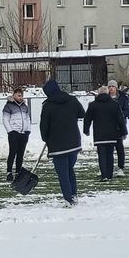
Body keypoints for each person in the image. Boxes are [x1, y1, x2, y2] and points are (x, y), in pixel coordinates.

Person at [38, 79, 86, 207]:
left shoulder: (47, 106)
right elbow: (82, 113)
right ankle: (74, 195)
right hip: (74, 142)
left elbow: (43, 127)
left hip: (57, 145)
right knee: (70, 169)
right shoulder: (72, 100)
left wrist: (46, 138)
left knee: (63, 173)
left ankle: (68, 199)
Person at [84, 86, 127, 181]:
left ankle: (104, 175)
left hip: (99, 135)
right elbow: (120, 119)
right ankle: (110, 175)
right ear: (107, 93)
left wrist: (86, 130)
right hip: (112, 134)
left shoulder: (93, 105)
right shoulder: (114, 104)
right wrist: (124, 132)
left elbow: (87, 119)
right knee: (110, 154)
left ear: (98, 94)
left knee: (102, 155)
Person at [1, 87, 32, 181]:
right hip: (14, 133)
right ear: (14, 95)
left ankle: (18, 172)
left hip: (24, 133)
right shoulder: (8, 106)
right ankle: (9, 172)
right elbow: (5, 119)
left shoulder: (24, 107)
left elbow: (28, 119)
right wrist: (10, 131)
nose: (20, 97)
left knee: (20, 154)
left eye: (21, 95)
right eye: (18, 95)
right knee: (12, 152)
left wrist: (28, 130)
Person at [107, 79, 129, 175]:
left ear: (116, 87)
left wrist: (118, 114)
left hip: (119, 126)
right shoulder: (105, 97)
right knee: (109, 148)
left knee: (119, 147)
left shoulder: (123, 97)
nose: (111, 89)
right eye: (109, 87)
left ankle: (121, 166)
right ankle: (109, 167)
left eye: (112, 87)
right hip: (108, 126)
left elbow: (128, 112)